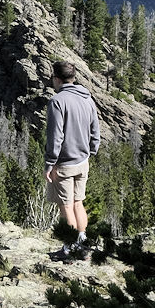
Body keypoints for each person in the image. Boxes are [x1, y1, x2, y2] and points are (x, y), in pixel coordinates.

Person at [44, 61, 101, 260]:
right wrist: (91, 151)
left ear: (57, 79)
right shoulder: (87, 98)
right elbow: (95, 130)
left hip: (64, 164)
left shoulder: (57, 101)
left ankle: (69, 249)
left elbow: (55, 137)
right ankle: (83, 245)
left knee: (66, 206)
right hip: (82, 161)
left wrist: (49, 164)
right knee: (78, 203)